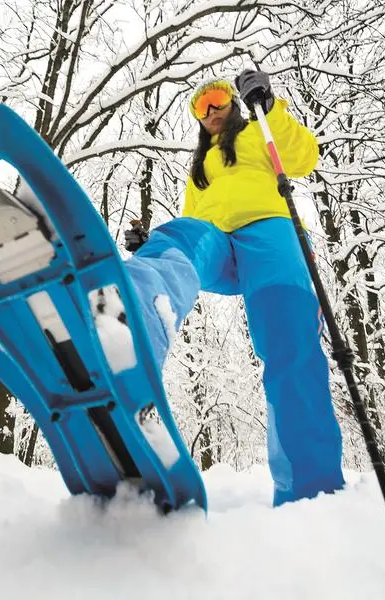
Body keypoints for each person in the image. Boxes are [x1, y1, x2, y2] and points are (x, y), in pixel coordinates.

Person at [122, 70, 345, 507]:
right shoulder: (200, 169)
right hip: (216, 240)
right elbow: (193, 216)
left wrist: (270, 106)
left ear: (234, 102)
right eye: (199, 107)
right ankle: (127, 321)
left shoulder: (258, 133)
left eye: (216, 99)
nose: (208, 111)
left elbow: (304, 157)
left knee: (289, 345)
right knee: (180, 236)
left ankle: (310, 493)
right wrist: (151, 243)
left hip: (269, 234)